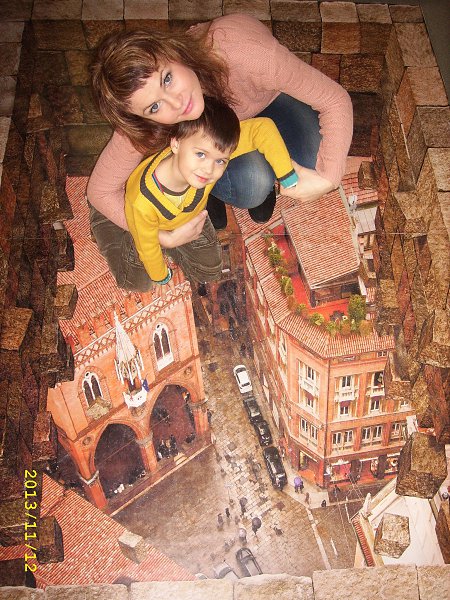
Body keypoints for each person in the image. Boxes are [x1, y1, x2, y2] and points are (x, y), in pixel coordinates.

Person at [87, 14, 353, 291]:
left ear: (172, 53)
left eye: (167, 79)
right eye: (154, 107)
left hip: (268, 101)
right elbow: (100, 191)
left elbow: (334, 99)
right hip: (214, 143)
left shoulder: (245, 54)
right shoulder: (146, 123)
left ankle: (242, 178)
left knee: (315, 160)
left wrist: (329, 178)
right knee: (253, 183)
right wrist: (160, 235)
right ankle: (213, 190)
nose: (177, 102)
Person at [125, 96, 299, 288]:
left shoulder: (204, 152)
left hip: (190, 214)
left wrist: (286, 173)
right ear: (176, 144)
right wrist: (159, 275)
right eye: (200, 154)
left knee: (212, 270)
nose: (209, 170)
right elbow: (147, 245)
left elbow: (261, 128)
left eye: (220, 161)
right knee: (139, 279)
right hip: (155, 225)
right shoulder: (142, 202)